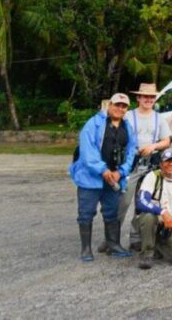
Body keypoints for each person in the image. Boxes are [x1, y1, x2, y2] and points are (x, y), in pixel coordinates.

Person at [70, 92, 137, 261]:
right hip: (91, 178)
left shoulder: (127, 127)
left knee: (111, 212)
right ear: (109, 105)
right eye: (117, 105)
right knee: (86, 213)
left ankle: (113, 244)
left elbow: (131, 152)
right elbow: (87, 151)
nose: (120, 109)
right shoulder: (93, 124)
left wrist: (121, 172)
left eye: (124, 106)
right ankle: (85, 249)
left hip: (114, 178)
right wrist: (103, 170)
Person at [120, 83, 170, 251]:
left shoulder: (159, 118)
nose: (148, 100)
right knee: (123, 201)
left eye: (151, 97)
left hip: (150, 165)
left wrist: (153, 146)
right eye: (145, 96)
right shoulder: (127, 116)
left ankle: (135, 238)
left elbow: (166, 141)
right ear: (138, 98)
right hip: (129, 165)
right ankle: (111, 237)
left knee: (142, 202)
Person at [134, 147, 172, 268]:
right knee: (148, 217)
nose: (171, 164)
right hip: (155, 218)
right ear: (161, 164)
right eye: (167, 161)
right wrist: (162, 212)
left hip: (171, 225)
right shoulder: (152, 176)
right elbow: (141, 201)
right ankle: (147, 253)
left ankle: (159, 244)